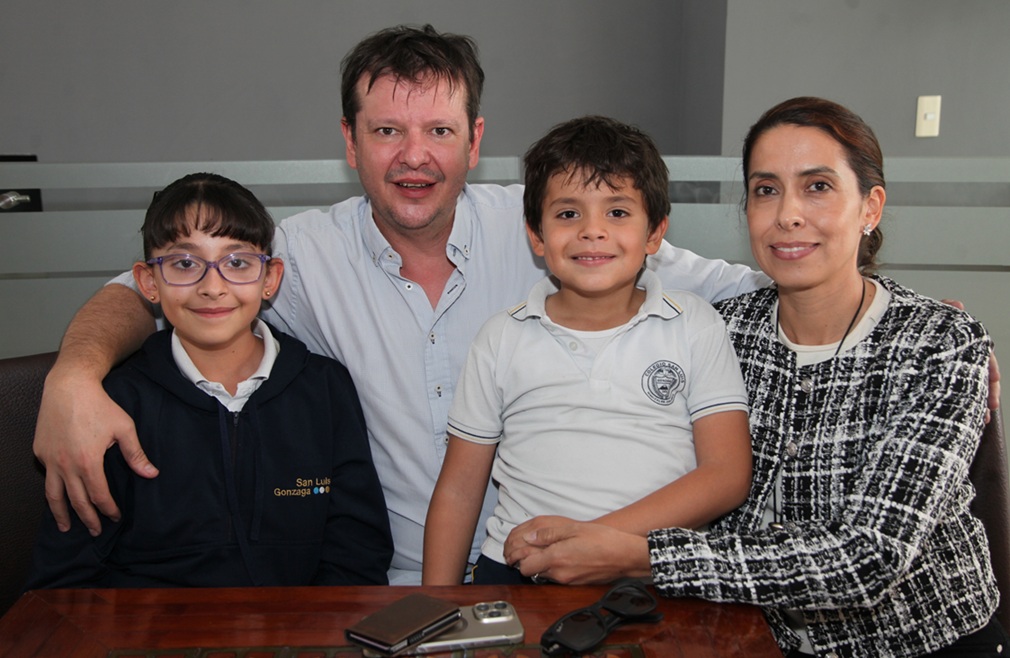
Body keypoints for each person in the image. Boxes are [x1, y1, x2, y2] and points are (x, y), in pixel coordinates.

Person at [32, 25, 769, 585]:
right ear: (350, 142)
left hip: (574, 569)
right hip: (384, 586)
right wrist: (73, 376)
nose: (414, 157)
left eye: (439, 131)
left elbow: (752, 289)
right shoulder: (300, 256)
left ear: (474, 140)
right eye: (387, 130)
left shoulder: (561, 225)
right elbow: (152, 288)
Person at [503, 97, 1006, 657]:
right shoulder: (718, 332)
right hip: (751, 639)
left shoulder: (938, 342)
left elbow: (870, 558)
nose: (787, 213)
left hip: (923, 642)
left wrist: (638, 554)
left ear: (871, 206)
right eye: (766, 189)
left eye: (817, 186)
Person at [422, 116, 752, 585]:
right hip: (521, 571)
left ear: (655, 233)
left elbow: (726, 474)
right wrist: (434, 607)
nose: (591, 230)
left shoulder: (694, 324)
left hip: (654, 570)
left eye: (617, 212)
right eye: (568, 213)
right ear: (536, 235)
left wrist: (593, 542)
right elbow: (458, 489)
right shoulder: (501, 337)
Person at [27, 173, 392, 588]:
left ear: (270, 278)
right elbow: (65, 580)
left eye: (237, 263)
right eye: (185, 264)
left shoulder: (325, 389)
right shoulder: (115, 403)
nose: (213, 287)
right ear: (149, 282)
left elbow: (358, 553)